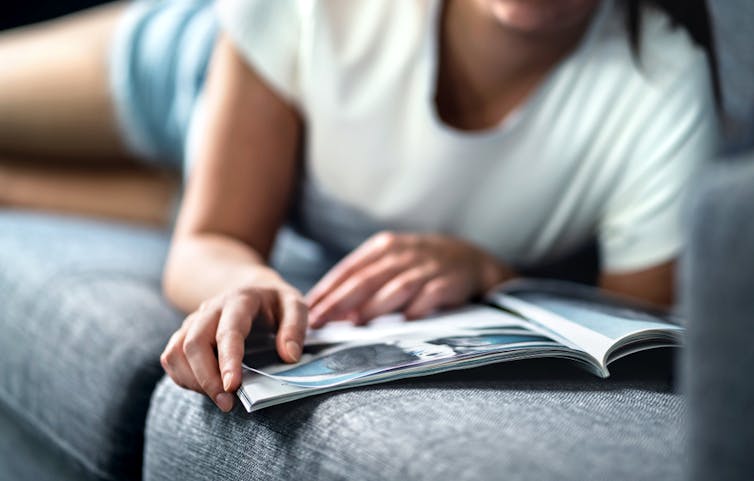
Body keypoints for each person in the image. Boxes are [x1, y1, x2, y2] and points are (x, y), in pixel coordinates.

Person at [0, 0, 718, 414]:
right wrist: (239, 279)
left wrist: (489, 270)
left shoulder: (661, 89)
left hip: (266, 195)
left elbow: (635, 346)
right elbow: (215, 237)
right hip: (191, 65)